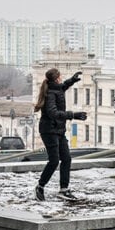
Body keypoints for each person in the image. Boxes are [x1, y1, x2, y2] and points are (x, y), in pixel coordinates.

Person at [33, 67, 87, 201]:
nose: (61, 79)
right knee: (54, 161)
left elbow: (63, 87)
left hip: (58, 130)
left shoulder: (56, 88)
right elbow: (53, 113)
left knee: (66, 158)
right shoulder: (50, 94)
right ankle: (40, 186)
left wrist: (72, 80)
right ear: (57, 79)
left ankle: (64, 189)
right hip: (49, 131)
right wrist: (73, 115)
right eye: (60, 77)